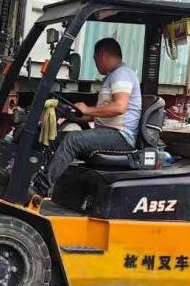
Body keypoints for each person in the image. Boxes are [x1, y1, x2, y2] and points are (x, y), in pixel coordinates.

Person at [39, 37, 142, 193]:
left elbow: (119, 107)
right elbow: (97, 115)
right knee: (55, 138)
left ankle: (41, 187)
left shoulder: (122, 74)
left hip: (121, 137)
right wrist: (69, 114)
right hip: (110, 133)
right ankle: (43, 180)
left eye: (95, 59)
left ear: (102, 56)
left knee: (73, 139)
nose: (95, 64)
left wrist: (87, 109)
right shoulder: (113, 76)